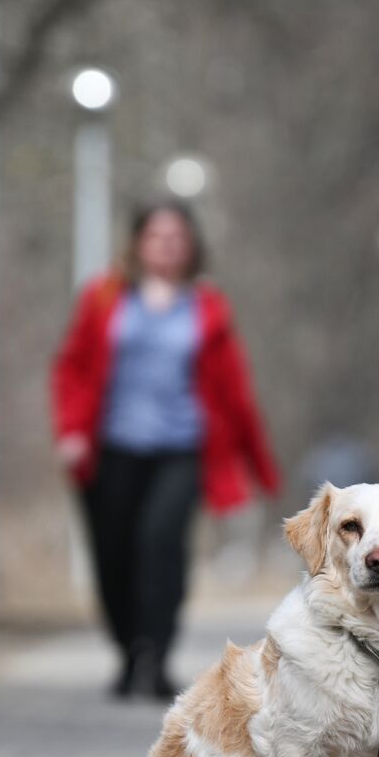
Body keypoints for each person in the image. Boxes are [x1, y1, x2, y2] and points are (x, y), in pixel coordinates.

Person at [51, 201, 281, 700]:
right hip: (111, 448)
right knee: (114, 555)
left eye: (177, 237)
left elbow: (233, 390)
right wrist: (70, 431)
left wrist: (258, 466)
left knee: (161, 546)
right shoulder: (104, 296)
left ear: (191, 246)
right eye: (157, 236)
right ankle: (128, 649)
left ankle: (156, 654)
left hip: (182, 448)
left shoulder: (208, 306)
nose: (167, 245)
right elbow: (72, 367)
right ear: (137, 242)